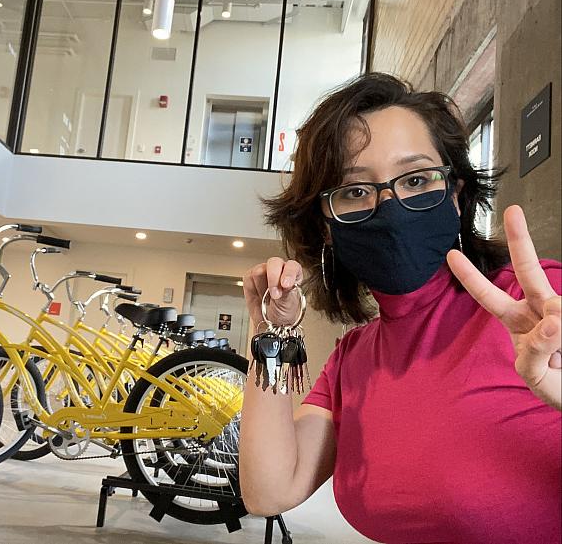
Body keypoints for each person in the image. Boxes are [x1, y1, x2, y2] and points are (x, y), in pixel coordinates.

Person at [238, 73, 561, 544]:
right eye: (353, 190)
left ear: (455, 193)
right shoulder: (354, 359)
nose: (390, 205)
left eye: (416, 179)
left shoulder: (540, 310)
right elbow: (269, 491)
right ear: (327, 226)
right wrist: (269, 331)